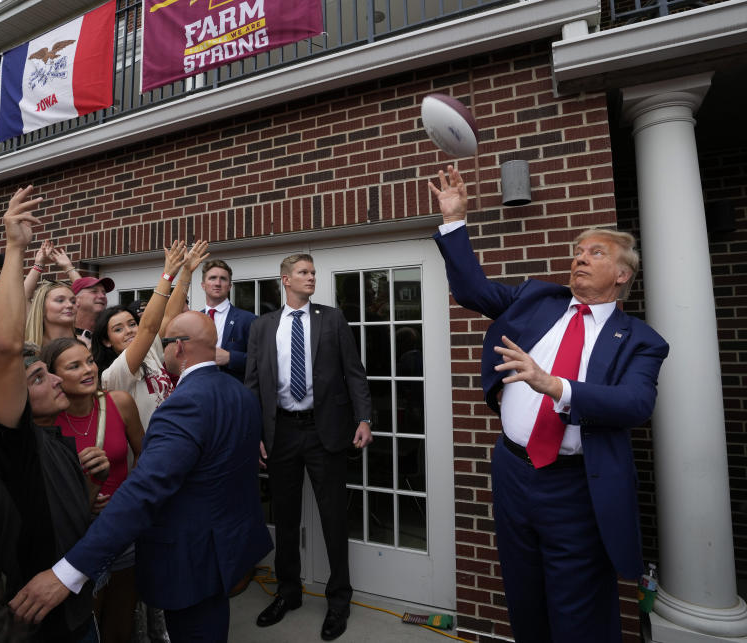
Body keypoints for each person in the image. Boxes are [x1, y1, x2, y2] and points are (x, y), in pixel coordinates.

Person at [428, 165, 669, 643]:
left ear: (622, 274)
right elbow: (473, 291)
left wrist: (556, 385)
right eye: (577, 251)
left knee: (578, 610)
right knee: (523, 596)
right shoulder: (537, 299)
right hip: (513, 472)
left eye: (595, 253)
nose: (579, 259)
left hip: (576, 487)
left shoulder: (640, 340)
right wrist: (455, 220)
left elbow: (636, 403)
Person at [9, 311, 273, 643]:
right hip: (227, 548)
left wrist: (68, 572)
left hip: (192, 558)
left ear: (177, 348)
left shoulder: (183, 406)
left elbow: (144, 491)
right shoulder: (241, 394)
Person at [0, 184, 108, 642]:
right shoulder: (16, 446)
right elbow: (8, 346)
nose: (57, 380)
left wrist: (88, 487)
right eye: (38, 379)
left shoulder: (55, 438)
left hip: (78, 610)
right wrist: (16, 248)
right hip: (43, 624)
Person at [246, 253, 373, 642]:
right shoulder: (263, 326)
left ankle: (339, 600)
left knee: (334, 517)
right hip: (281, 433)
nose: (311, 277)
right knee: (284, 518)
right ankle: (289, 593)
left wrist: (365, 418)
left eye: (313, 272)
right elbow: (252, 383)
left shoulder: (331, 319)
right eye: (303, 272)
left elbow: (354, 372)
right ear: (285, 280)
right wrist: (254, 435)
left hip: (326, 432)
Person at [41, 336, 144, 643]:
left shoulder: (119, 402)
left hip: (122, 527)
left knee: (121, 616)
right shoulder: (47, 420)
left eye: (89, 360)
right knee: (86, 617)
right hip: (75, 537)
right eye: (74, 366)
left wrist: (127, 497)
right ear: (53, 375)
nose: (88, 370)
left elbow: (145, 454)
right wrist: (81, 498)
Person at [93, 239, 207, 432]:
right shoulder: (113, 373)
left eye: (131, 324)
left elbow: (169, 316)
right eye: (118, 329)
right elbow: (148, 328)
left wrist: (186, 272)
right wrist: (167, 275)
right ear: (106, 341)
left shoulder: (150, 353)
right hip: (147, 453)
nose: (129, 330)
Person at [199, 259, 255, 381]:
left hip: (233, 391)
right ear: (203, 285)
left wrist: (231, 357)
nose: (218, 283)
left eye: (223, 279)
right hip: (199, 389)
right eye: (212, 278)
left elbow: (261, 360)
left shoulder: (248, 319)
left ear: (230, 286)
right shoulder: (193, 320)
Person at [72, 277, 114, 343]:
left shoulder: (110, 335)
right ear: (76, 300)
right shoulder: (63, 335)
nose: (102, 296)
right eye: (94, 291)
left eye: (104, 293)